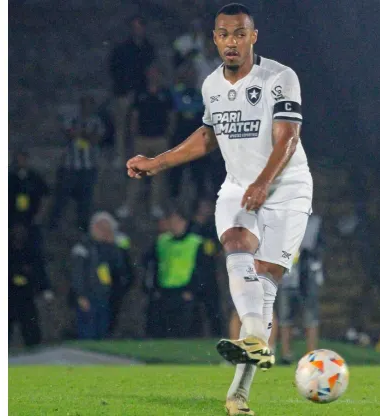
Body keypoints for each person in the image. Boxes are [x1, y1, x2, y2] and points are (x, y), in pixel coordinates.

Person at [125, 4, 312, 414]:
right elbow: (208, 136)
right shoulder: (211, 85)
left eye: (239, 33)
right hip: (238, 187)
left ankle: (239, 392)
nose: (232, 41)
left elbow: (288, 139)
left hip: (288, 190)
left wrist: (265, 183)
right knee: (235, 240)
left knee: (265, 282)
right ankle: (252, 337)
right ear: (214, 39)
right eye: (224, 34)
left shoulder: (280, 78)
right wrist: (157, 163)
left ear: (253, 37)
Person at [118, 65, 176, 219]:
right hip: (142, 139)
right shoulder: (140, 93)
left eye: (156, 72)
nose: (153, 75)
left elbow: (171, 116)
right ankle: (128, 206)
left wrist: (168, 135)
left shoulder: (165, 93)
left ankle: (155, 206)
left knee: (158, 176)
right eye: (151, 72)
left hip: (160, 139)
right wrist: (134, 136)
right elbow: (134, 116)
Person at [143, 205, 209, 338]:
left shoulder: (195, 242)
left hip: (184, 291)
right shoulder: (162, 241)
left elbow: (201, 270)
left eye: (177, 221)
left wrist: (192, 290)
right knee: (162, 330)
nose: (174, 225)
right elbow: (151, 263)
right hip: (164, 290)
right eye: (171, 222)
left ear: (184, 223)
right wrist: (154, 288)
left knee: (182, 330)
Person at [70, 212, 130, 340]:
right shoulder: (83, 247)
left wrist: (114, 246)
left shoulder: (109, 248)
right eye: (101, 228)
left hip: (105, 296)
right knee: (88, 332)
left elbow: (120, 268)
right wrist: (80, 295)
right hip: (89, 296)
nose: (104, 231)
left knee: (102, 333)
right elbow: (77, 274)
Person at [49, 95, 103, 232]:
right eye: (84, 104)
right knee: (61, 197)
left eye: (89, 105)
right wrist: (84, 134)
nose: (86, 108)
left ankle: (82, 226)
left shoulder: (97, 121)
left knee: (85, 199)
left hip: (88, 167)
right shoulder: (71, 119)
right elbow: (69, 133)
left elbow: (96, 138)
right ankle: (53, 223)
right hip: (70, 167)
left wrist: (81, 134)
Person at [108, 15, 156, 165]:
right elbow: (115, 70)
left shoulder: (149, 48)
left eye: (140, 27)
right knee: (121, 126)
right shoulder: (122, 49)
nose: (137, 30)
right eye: (135, 27)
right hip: (123, 93)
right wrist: (125, 88)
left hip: (142, 94)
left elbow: (150, 70)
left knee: (138, 126)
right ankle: (119, 155)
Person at [278, 214, 324, 365]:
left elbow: (320, 246)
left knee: (310, 316)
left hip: (308, 274)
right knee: (285, 316)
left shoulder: (315, 222)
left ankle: (311, 355)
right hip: (287, 275)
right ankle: (286, 354)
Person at [168, 64, 210, 201]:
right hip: (180, 139)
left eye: (193, 74)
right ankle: (173, 200)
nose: (190, 77)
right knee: (176, 173)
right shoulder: (176, 93)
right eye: (187, 74)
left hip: (197, 142)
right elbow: (175, 114)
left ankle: (199, 201)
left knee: (198, 174)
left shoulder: (201, 95)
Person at [9, 224, 53, 347]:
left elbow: (39, 270)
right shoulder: (9, 251)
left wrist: (45, 288)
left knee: (30, 323)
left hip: (26, 294)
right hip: (9, 294)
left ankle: (34, 348)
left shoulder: (30, 252)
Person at [188, 198, 225, 337]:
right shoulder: (191, 228)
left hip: (209, 273)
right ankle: (194, 335)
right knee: (194, 307)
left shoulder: (212, 227)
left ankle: (217, 335)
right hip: (192, 272)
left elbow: (217, 249)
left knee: (213, 307)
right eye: (206, 206)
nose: (209, 209)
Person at [9, 149, 50, 250]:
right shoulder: (10, 177)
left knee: (33, 243)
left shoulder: (34, 177)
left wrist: (40, 214)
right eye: (18, 159)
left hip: (31, 217)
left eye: (23, 159)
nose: (21, 161)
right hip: (13, 217)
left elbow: (45, 195)